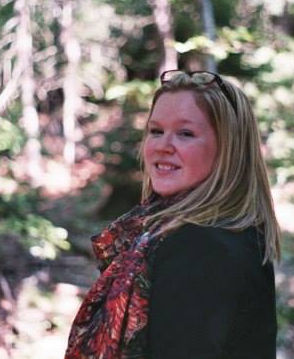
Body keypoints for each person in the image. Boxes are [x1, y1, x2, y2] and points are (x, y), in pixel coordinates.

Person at [65, 70, 280, 359]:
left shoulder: (205, 248)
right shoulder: (182, 233)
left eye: (185, 133)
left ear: (228, 150)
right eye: (156, 131)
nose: (163, 146)